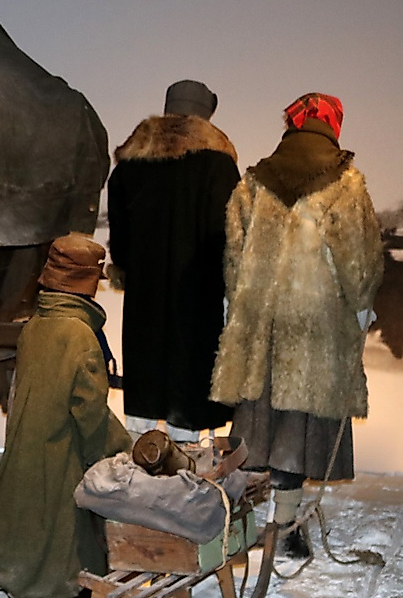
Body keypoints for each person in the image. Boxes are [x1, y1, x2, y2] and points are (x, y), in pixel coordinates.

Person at [210, 92, 383, 557]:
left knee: (258, 429)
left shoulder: (253, 183)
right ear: (332, 126)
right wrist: (361, 307)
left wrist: (239, 310)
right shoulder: (345, 184)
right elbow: (361, 265)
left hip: (261, 328)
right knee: (299, 431)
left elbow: (232, 259)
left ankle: (232, 527)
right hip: (316, 333)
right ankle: (286, 526)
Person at [0, 233, 133, 598]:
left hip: (26, 448)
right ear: (88, 284)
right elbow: (91, 417)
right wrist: (122, 452)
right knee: (64, 545)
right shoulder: (80, 336)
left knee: (17, 520)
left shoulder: (35, 326)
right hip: (59, 459)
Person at [106, 79, 240, 442]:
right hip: (199, 292)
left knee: (144, 371)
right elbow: (231, 233)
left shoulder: (130, 166)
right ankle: (186, 464)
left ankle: (140, 453)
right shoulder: (218, 165)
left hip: (145, 294)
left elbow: (120, 238)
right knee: (191, 378)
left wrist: (134, 268)